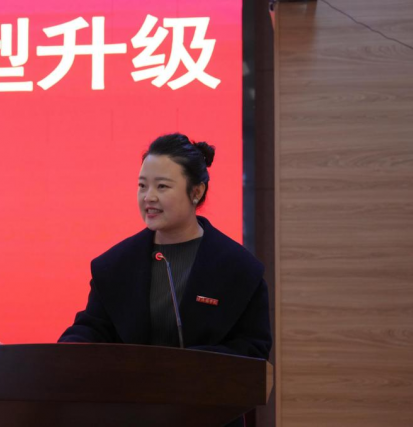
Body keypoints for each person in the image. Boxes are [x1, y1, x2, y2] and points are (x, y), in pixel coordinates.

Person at [59, 133, 272, 426]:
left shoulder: (239, 268)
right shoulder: (115, 265)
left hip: (209, 416)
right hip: (131, 415)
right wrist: (68, 353)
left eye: (162, 186)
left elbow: (252, 349)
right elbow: (94, 327)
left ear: (196, 191)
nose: (149, 197)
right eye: (142, 186)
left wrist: (182, 369)